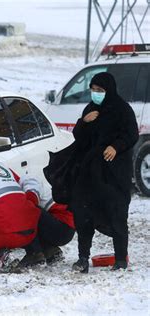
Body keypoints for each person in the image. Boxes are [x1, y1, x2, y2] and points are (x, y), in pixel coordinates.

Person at [70, 72, 138, 273]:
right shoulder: (90, 109)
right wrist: (84, 122)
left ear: (109, 90)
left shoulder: (122, 110)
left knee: (116, 213)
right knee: (83, 213)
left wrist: (116, 146)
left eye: (99, 91)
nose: (95, 94)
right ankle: (83, 258)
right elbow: (79, 137)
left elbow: (131, 134)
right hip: (90, 173)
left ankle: (120, 260)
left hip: (114, 173)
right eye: (93, 90)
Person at [19, 196, 75, 267]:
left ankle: (34, 253)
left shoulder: (31, 185)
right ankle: (49, 250)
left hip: (62, 228)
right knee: (28, 211)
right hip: (66, 228)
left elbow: (30, 205)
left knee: (25, 208)